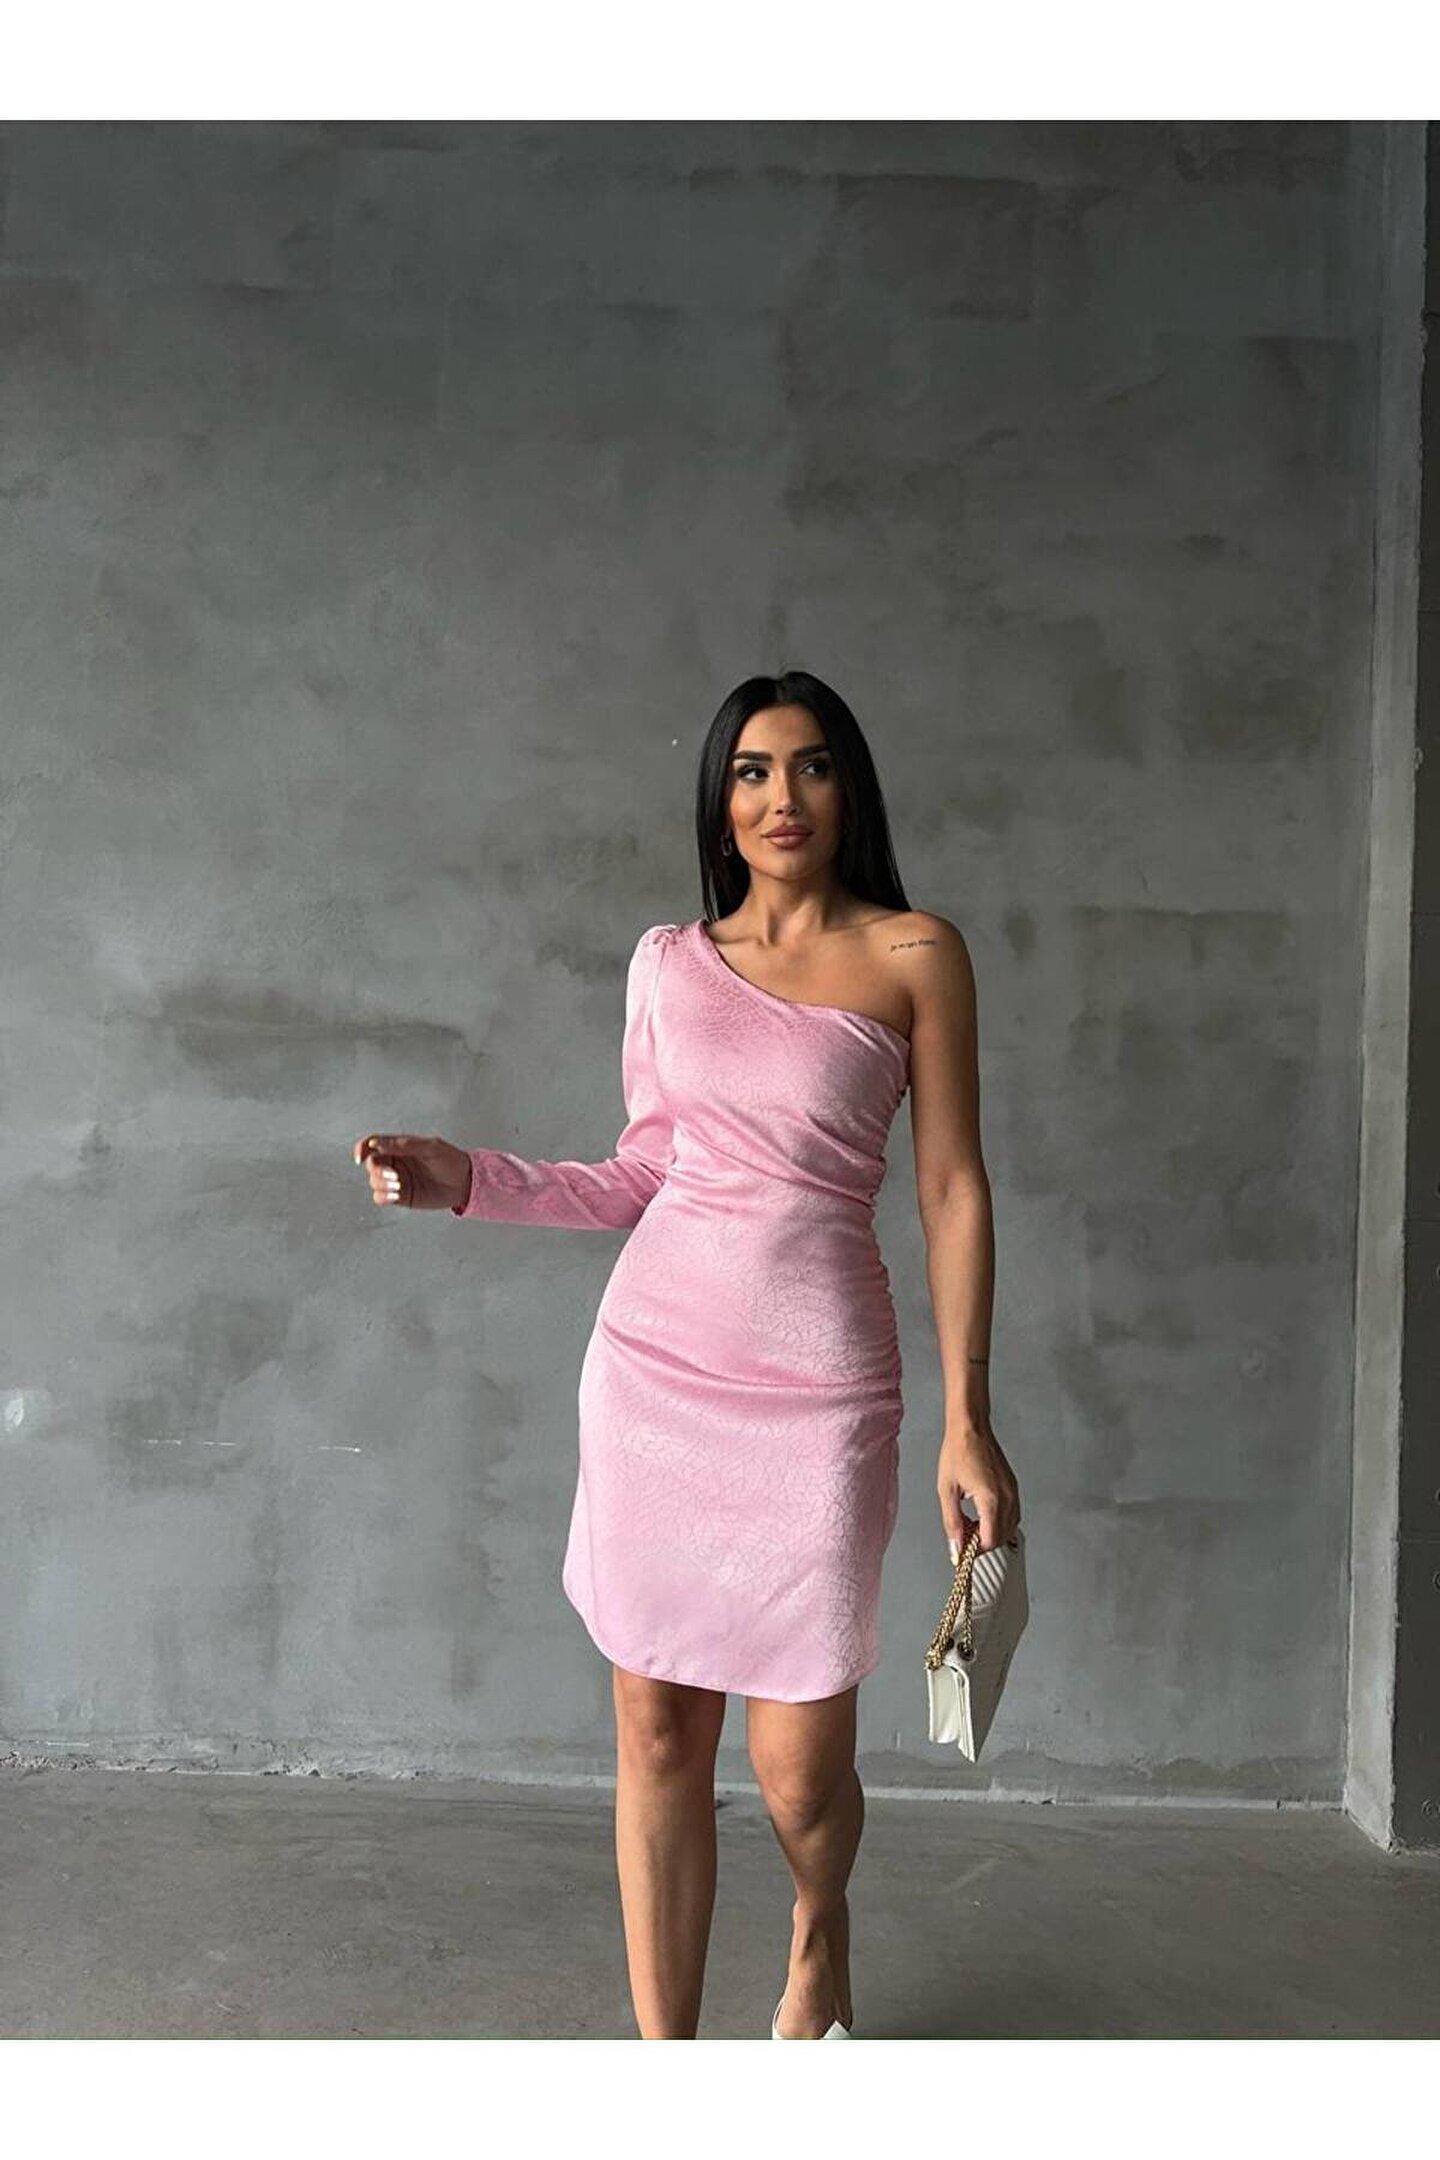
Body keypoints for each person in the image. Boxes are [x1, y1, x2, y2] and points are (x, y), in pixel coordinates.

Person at [353, 669, 1020, 2040]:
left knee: (798, 1770)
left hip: (821, 1393)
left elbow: (952, 1187)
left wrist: (971, 1416)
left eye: (812, 765)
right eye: (753, 771)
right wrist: (473, 1179)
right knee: (656, 1732)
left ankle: (820, 1926)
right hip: (654, 1379)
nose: (784, 797)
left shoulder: (915, 954)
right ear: (720, 803)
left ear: (850, 789)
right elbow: (643, 1172)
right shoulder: (668, 964)